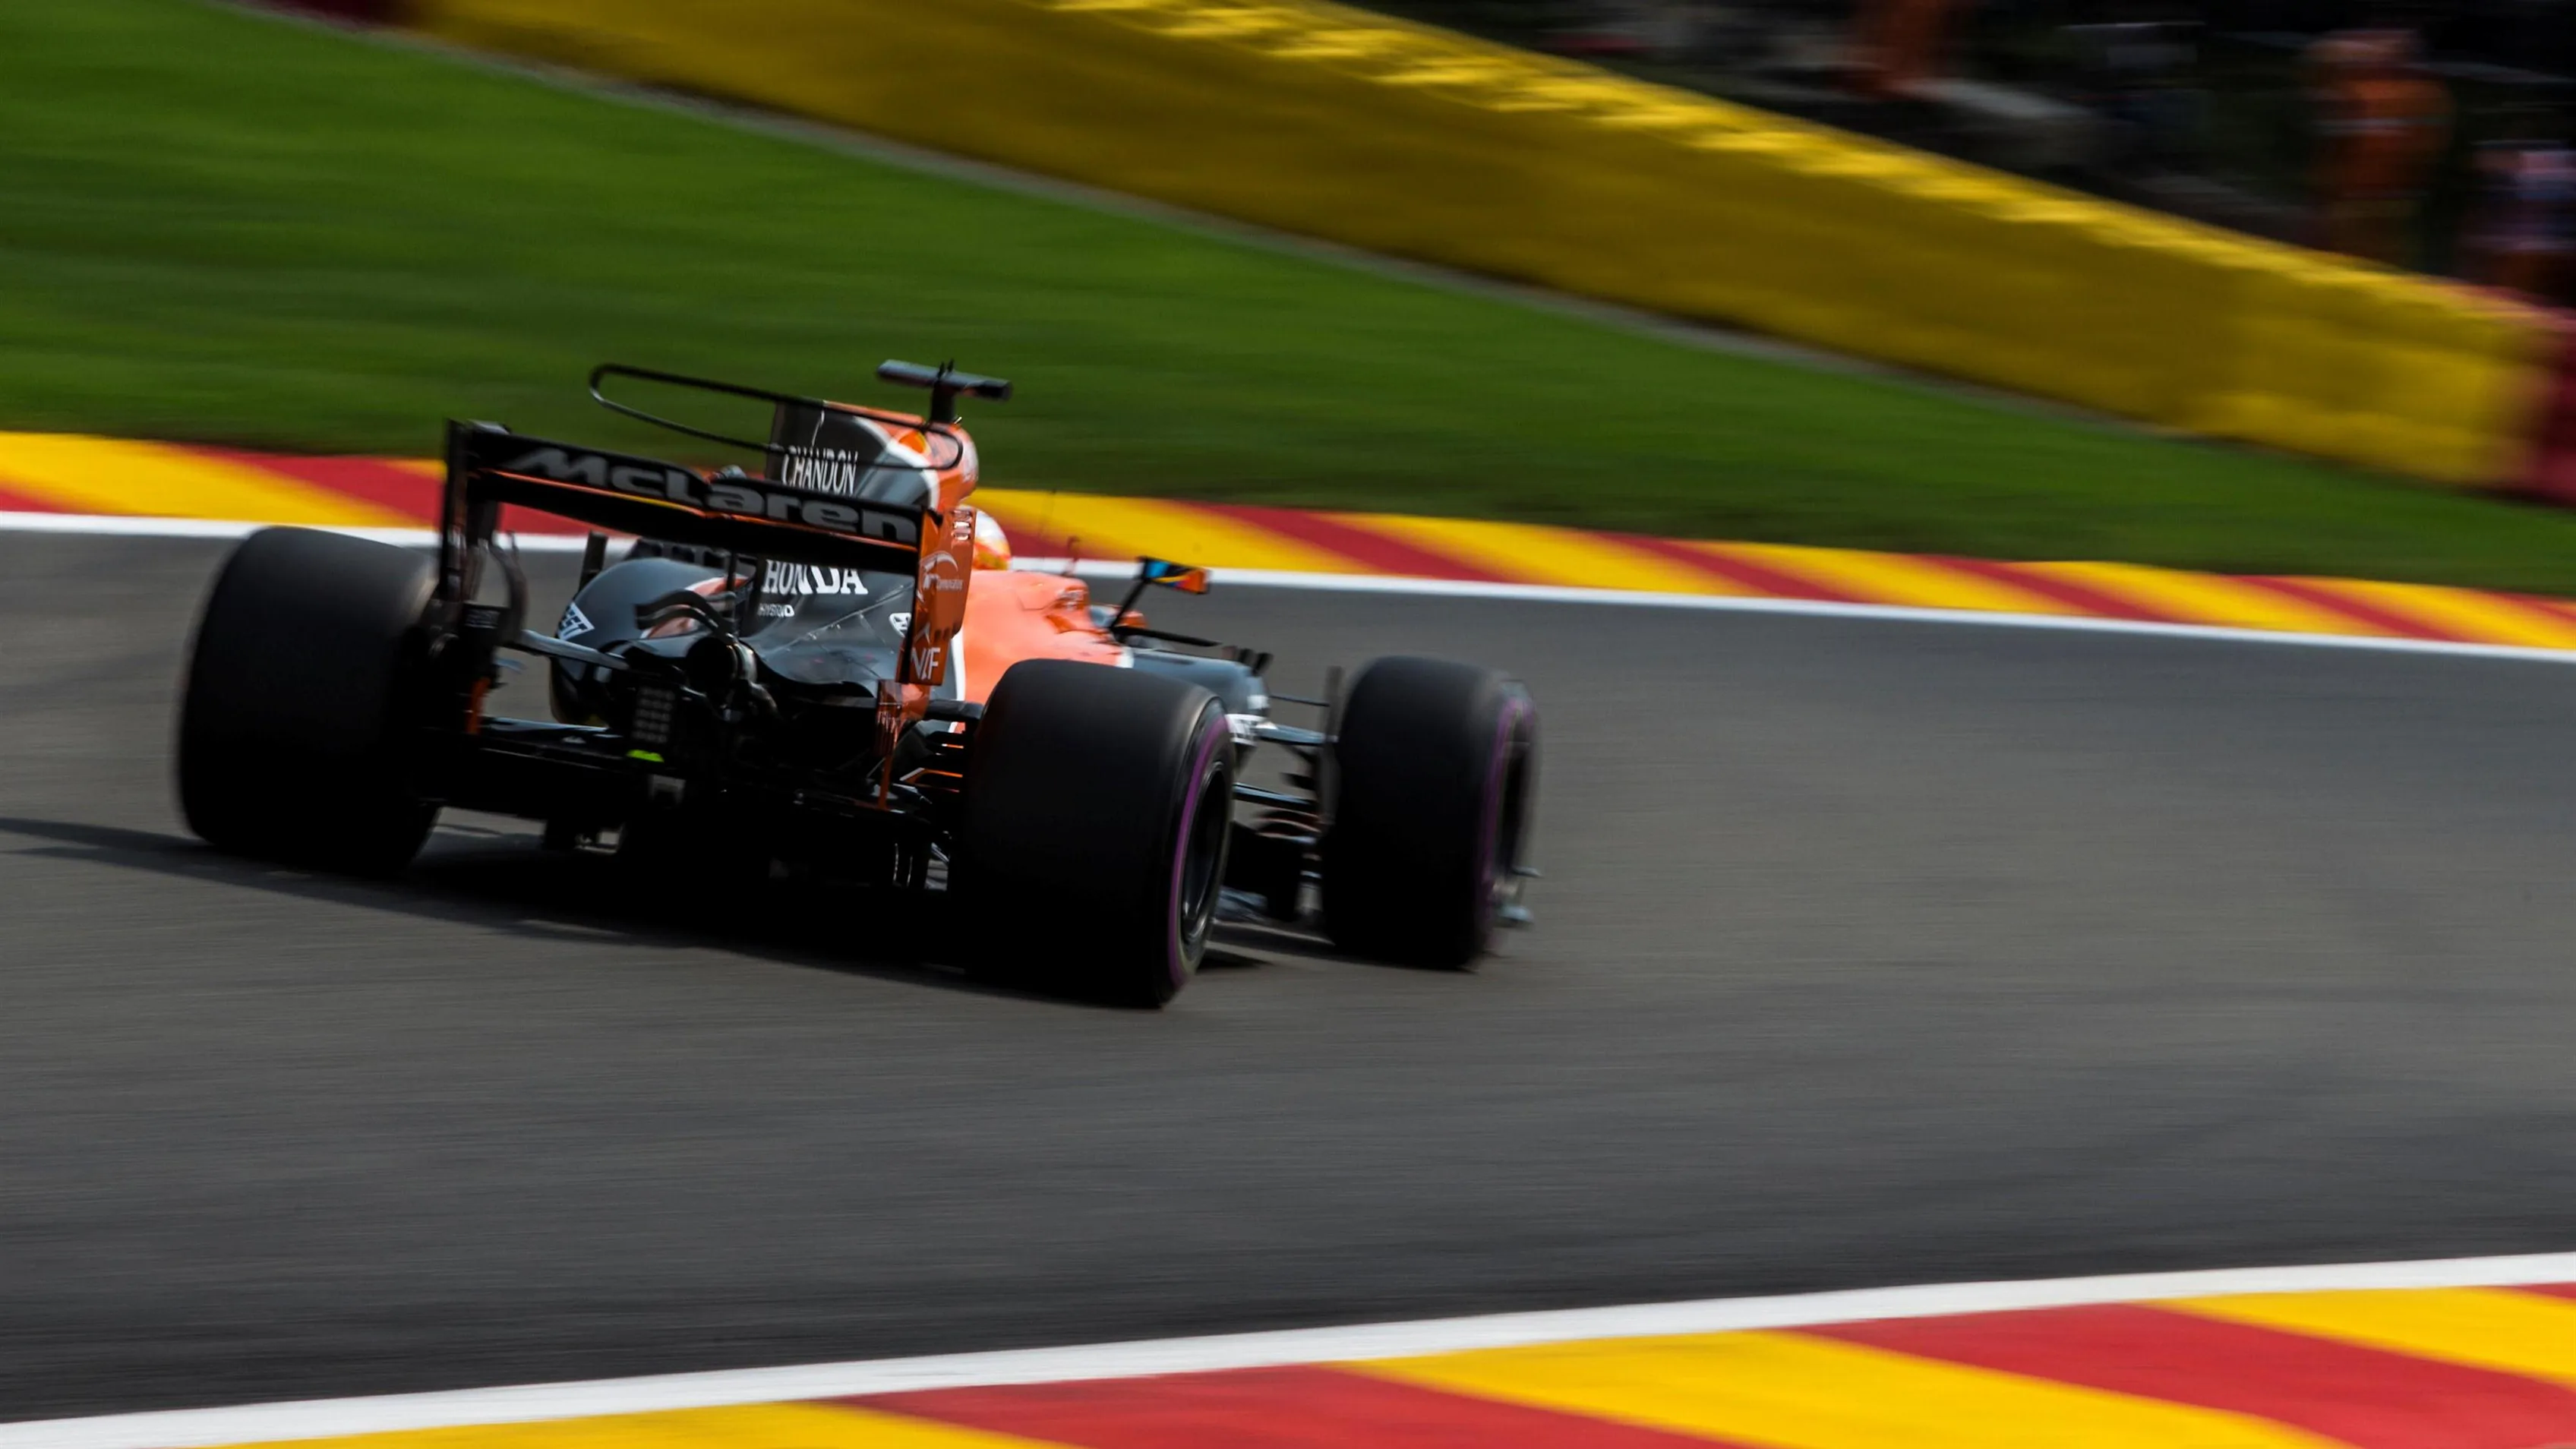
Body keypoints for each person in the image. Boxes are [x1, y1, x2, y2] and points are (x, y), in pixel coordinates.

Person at [2306, 24, 2453, 265]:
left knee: (2379, 258)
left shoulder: (2422, 96)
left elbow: (2427, 147)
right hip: (2350, 196)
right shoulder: (2357, 90)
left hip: (2389, 199)